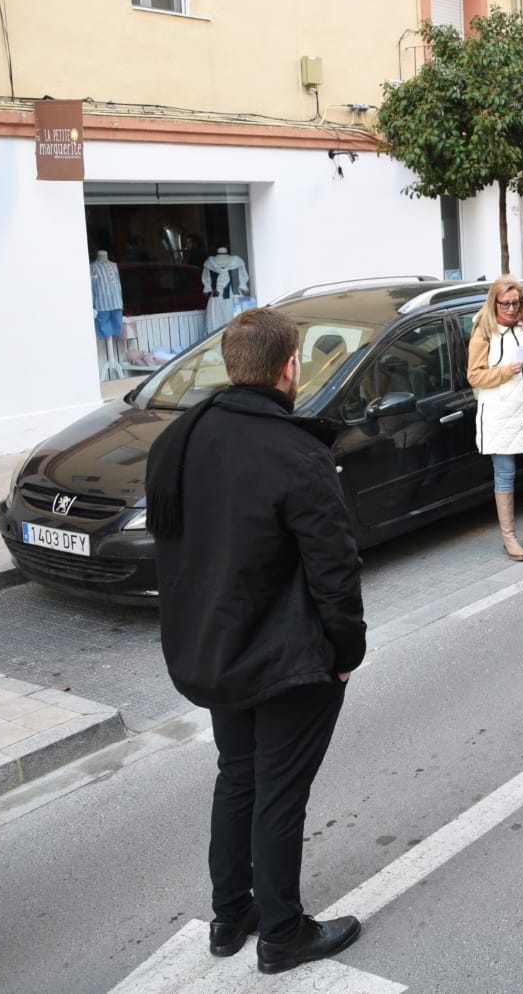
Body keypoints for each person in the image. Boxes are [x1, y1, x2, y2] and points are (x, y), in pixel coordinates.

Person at [146, 307, 364, 975]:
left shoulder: (179, 438)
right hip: (286, 659)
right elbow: (335, 567)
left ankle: (229, 914)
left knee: (236, 776)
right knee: (277, 792)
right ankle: (282, 932)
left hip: (212, 649)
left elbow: (174, 546)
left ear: (229, 365)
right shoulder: (295, 451)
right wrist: (345, 653)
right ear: (289, 367)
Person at [467, 277, 523, 561]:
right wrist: (506, 370)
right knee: (505, 475)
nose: (510, 308)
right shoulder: (483, 331)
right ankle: (509, 538)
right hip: (498, 415)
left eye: (515, 303)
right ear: (494, 302)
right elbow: (474, 375)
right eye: (505, 303)